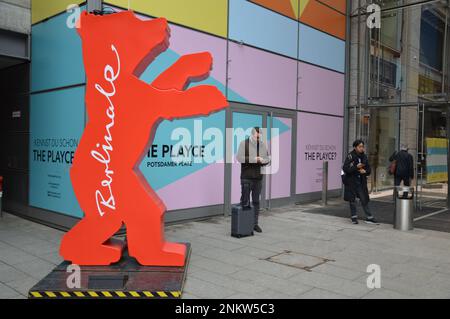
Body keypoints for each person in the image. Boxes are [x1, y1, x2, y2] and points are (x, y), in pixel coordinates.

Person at [236, 127, 270, 233]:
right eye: (256, 135)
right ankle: (243, 223)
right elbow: (239, 158)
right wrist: (254, 159)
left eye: (260, 135)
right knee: (245, 201)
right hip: (246, 178)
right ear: (252, 134)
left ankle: (255, 224)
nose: (258, 137)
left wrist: (263, 160)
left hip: (258, 178)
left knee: (256, 202)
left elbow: (268, 159)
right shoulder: (243, 144)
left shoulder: (263, 145)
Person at [343, 140, 379, 225]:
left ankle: (369, 217)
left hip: (361, 182)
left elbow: (369, 170)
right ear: (355, 147)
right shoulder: (350, 156)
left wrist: (365, 171)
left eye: (362, 146)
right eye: (360, 147)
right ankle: (354, 217)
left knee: (364, 199)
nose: (362, 148)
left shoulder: (364, 157)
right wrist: (356, 167)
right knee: (352, 200)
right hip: (352, 181)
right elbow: (346, 169)